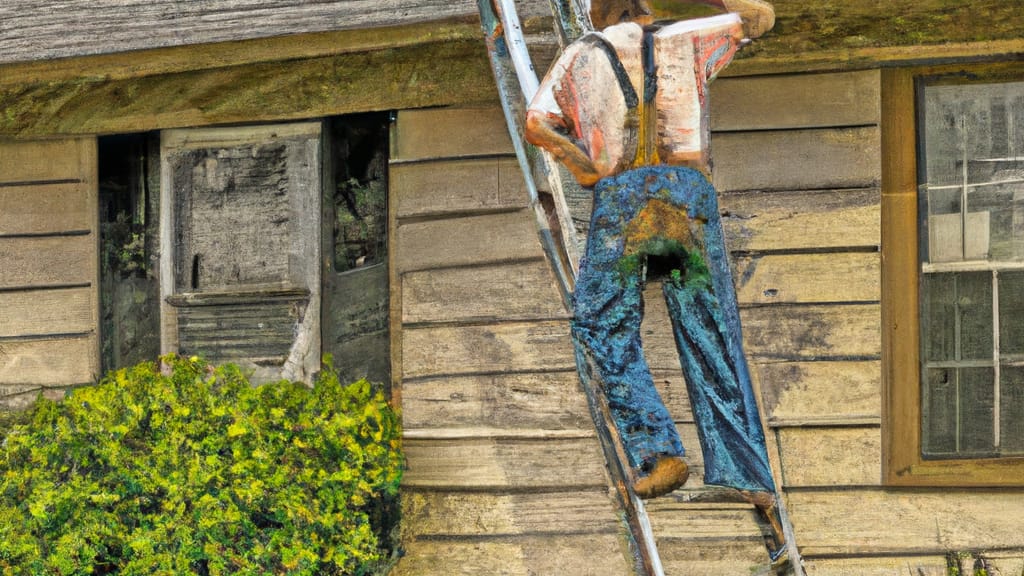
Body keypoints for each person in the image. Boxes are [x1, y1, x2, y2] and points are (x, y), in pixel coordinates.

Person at [525, 0, 786, 561]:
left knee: (602, 323)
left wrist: (582, 167)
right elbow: (761, 15)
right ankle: (748, 471)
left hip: (625, 196)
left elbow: (536, 123)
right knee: (712, 336)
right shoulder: (690, 38)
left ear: (604, 9)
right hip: (688, 196)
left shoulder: (583, 50)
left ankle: (659, 450)